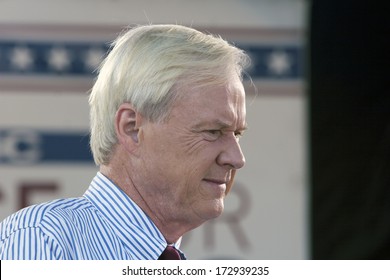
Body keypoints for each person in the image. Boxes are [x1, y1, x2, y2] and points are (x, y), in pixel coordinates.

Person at [0, 24, 250, 260]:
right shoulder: (44, 240)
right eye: (213, 131)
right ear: (132, 128)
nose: (236, 158)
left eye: (237, 134)